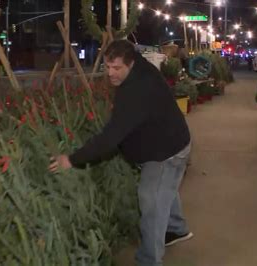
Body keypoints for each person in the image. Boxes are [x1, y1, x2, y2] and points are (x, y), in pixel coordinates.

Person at [49, 40, 193, 266]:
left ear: (131, 64)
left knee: (151, 201)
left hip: (166, 152)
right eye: (107, 67)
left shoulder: (137, 90)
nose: (110, 74)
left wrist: (71, 159)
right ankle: (177, 229)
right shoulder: (139, 67)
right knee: (166, 189)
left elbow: (110, 138)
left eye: (117, 68)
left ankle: (149, 260)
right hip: (173, 141)